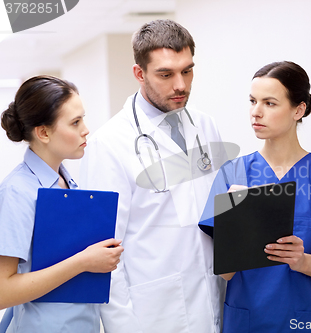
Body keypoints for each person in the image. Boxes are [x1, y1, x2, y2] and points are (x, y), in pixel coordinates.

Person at [79, 19, 227, 333]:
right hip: (153, 314)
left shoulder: (206, 126)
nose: (181, 85)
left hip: (213, 299)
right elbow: (103, 253)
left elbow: (216, 215)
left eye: (187, 70)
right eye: (165, 74)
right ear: (139, 73)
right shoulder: (109, 144)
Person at [199, 61, 311, 332]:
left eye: (270, 103)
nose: (256, 112)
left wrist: (302, 261)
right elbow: (224, 272)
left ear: (298, 110)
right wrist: (239, 224)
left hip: (307, 321)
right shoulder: (233, 174)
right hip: (248, 320)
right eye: (252, 101)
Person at [0, 75, 123, 333]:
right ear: (43, 133)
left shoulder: (68, 184)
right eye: (75, 122)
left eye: (83, 119)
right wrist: (83, 262)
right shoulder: (17, 191)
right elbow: (3, 291)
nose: (86, 129)